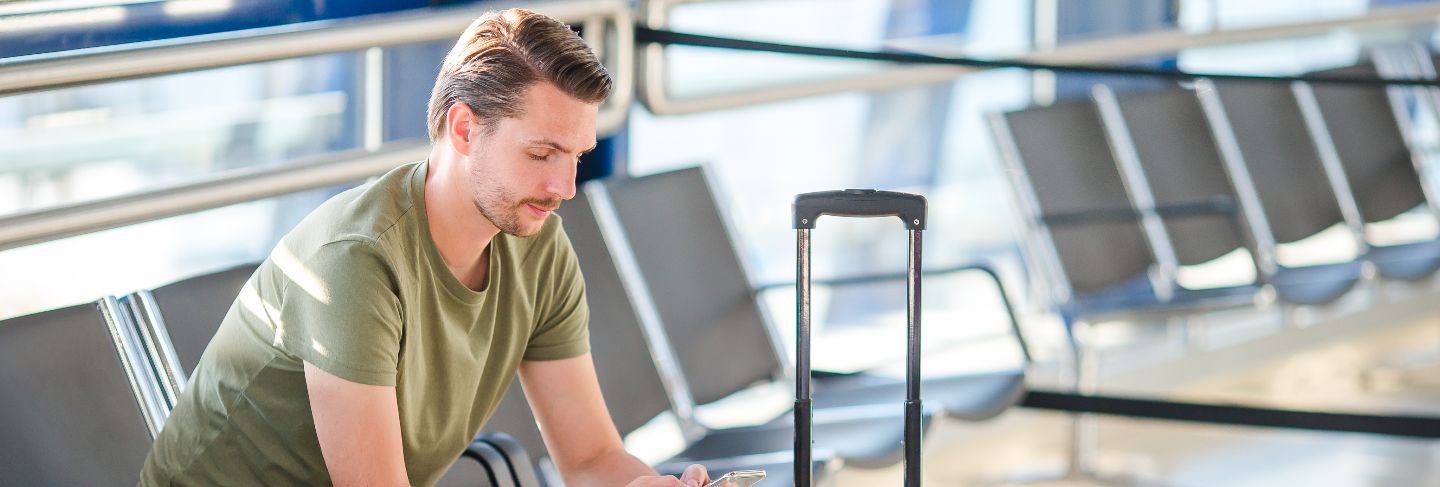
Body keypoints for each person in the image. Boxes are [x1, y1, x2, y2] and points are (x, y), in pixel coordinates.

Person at [140, 8, 710, 487]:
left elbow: (589, 459)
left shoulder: (536, 245)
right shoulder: (355, 262)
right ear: (464, 130)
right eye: (541, 154)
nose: (564, 188)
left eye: (577, 157)